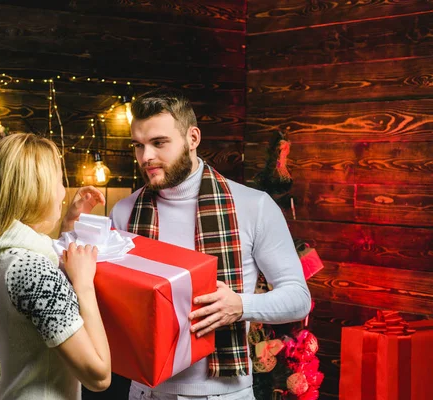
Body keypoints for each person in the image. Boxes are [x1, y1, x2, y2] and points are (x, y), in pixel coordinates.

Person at [108, 88, 311, 400]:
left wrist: (241, 306)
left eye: (159, 143)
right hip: (145, 392)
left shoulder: (253, 205)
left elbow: (299, 298)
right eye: (139, 145)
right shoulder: (124, 212)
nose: (146, 156)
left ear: (192, 138)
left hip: (223, 394)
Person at [0, 133, 111, 399]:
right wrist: (83, 285)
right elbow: (99, 376)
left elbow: (32, 313)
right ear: (38, 189)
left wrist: (67, 226)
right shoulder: (32, 271)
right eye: (58, 181)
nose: (62, 192)